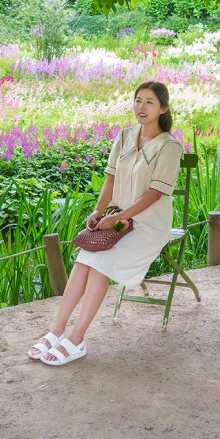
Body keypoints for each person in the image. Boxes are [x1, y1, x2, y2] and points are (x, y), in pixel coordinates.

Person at [28, 81, 183, 366]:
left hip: (148, 226)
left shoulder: (170, 147)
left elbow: (156, 193)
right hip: (117, 223)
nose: (141, 107)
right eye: (138, 100)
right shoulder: (124, 137)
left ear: (163, 108)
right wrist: (99, 212)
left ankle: (76, 339)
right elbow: (110, 179)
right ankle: (56, 330)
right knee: (86, 257)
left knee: (99, 262)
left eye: (149, 102)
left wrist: (120, 217)